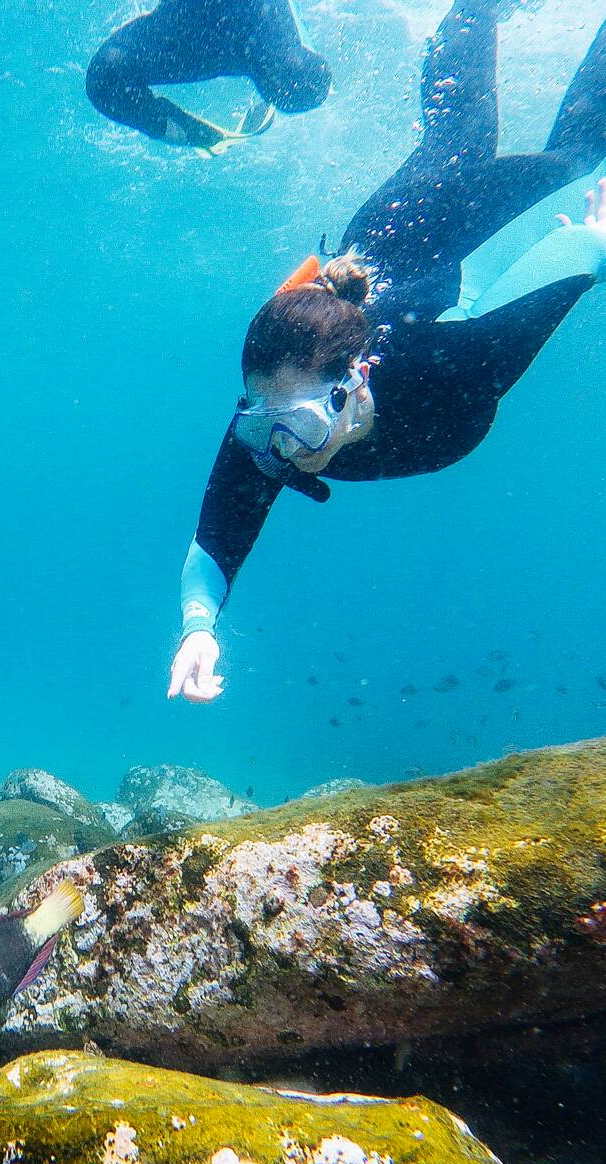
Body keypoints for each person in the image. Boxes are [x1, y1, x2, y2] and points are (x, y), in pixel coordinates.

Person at [168, 0, 605, 703]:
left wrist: (595, 236)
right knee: (455, 142)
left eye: (300, 425)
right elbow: (215, 535)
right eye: (258, 420)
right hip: (391, 262)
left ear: (355, 382)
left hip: (433, 241)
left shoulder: (455, 359)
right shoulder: (268, 429)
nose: (279, 448)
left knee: (573, 162)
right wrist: (197, 629)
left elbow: (577, 255)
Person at [86, 0, 331, 155]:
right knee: (106, 80)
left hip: (205, 36)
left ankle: (184, 132)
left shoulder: (278, 49)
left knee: (105, 80)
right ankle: (186, 132)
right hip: (199, 30)